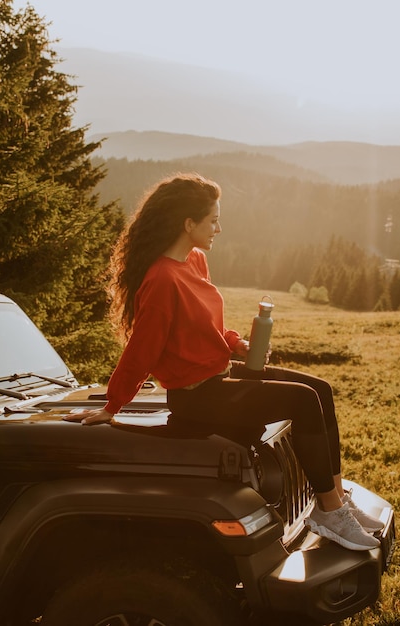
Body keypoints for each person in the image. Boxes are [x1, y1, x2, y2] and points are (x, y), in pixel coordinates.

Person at [64, 172, 383, 551]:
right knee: (303, 401)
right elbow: (141, 351)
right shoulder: (161, 280)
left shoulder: (194, 261)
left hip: (220, 377)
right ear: (188, 224)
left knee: (320, 389)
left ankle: (336, 498)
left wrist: (238, 344)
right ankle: (329, 512)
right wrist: (112, 404)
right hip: (196, 397)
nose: (219, 228)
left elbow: (207, 326)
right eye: (213, 220)